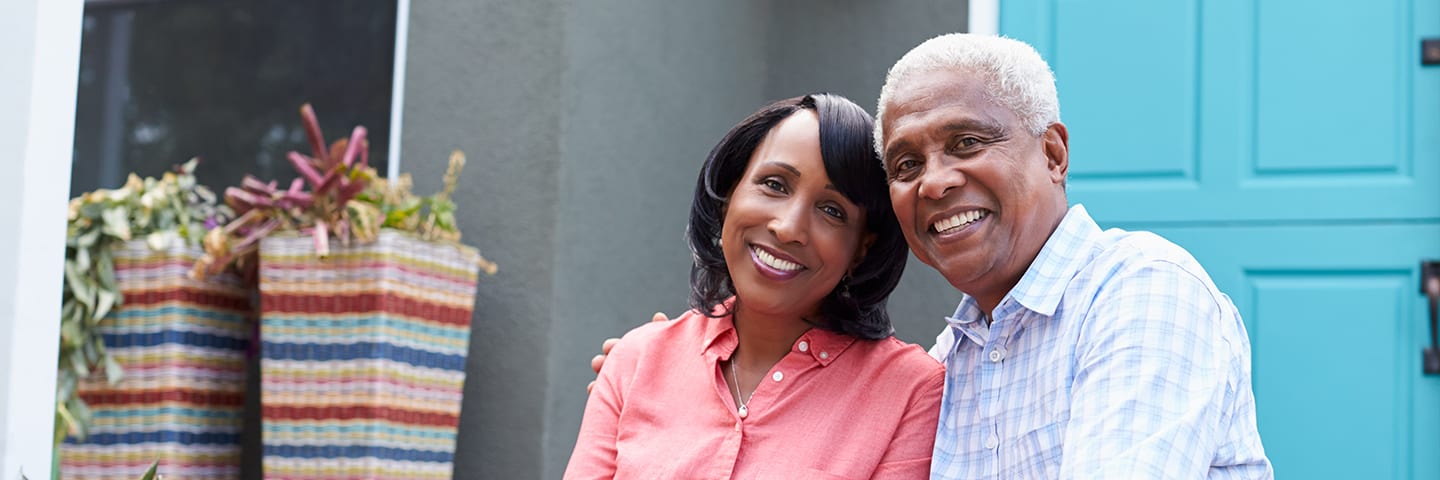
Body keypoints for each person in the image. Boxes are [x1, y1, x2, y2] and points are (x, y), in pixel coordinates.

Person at [593, 34, 1273, 479]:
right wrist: (666, 375)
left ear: (1054, 153)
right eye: (907, 162)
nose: (936, 181)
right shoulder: (954, 363)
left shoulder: (1139, 292)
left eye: (968, 142)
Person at [564, 93, 944, 479]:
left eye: (832, 211)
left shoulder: (910, 393)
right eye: (775, 185)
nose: (788, 227)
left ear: (862, 248)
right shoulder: (635, 361)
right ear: (730, 194)